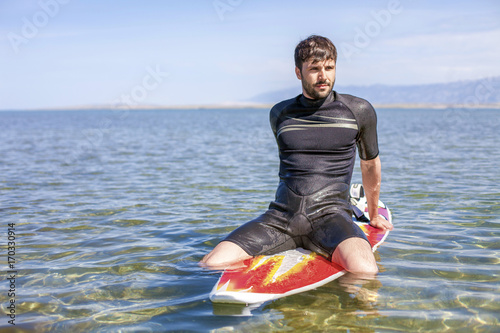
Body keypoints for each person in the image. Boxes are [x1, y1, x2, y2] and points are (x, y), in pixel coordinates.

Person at [201, 35, 393, 275]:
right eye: (314, 69)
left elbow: (370, 165)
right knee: (211, 263)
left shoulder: (358, 111)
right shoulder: (280, 113)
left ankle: (344, 312)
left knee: (365, 272)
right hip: (281, 218)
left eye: (329, 68)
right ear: (298, 72)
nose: (323, 76)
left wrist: (373, 215)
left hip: (331, 218)